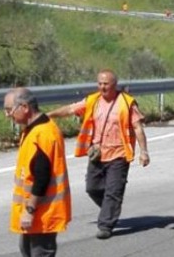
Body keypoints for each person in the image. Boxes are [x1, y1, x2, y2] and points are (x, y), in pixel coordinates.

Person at [48, 69, 149, 240]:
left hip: (119, 154)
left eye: (106, 84)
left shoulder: (127, 103)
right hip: (97, 154)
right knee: (92, 188)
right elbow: (71, 109)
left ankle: (106, 225)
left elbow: (138, 128)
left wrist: (144, 152)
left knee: (113, 191)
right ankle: (110, 208)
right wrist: (49, 115)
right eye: (100, 83)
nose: (102, 87)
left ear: (114, 85)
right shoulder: (93, 100)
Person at [5, 87, 72, 257]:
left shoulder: (43, 134)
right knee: (27, 250)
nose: (7, 115)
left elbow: (41, 177)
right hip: (38, 212)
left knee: (40, 253)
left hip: (42, 213)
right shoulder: (33, 130)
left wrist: (29, 211)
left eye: (9, 110)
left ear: (25, 107)